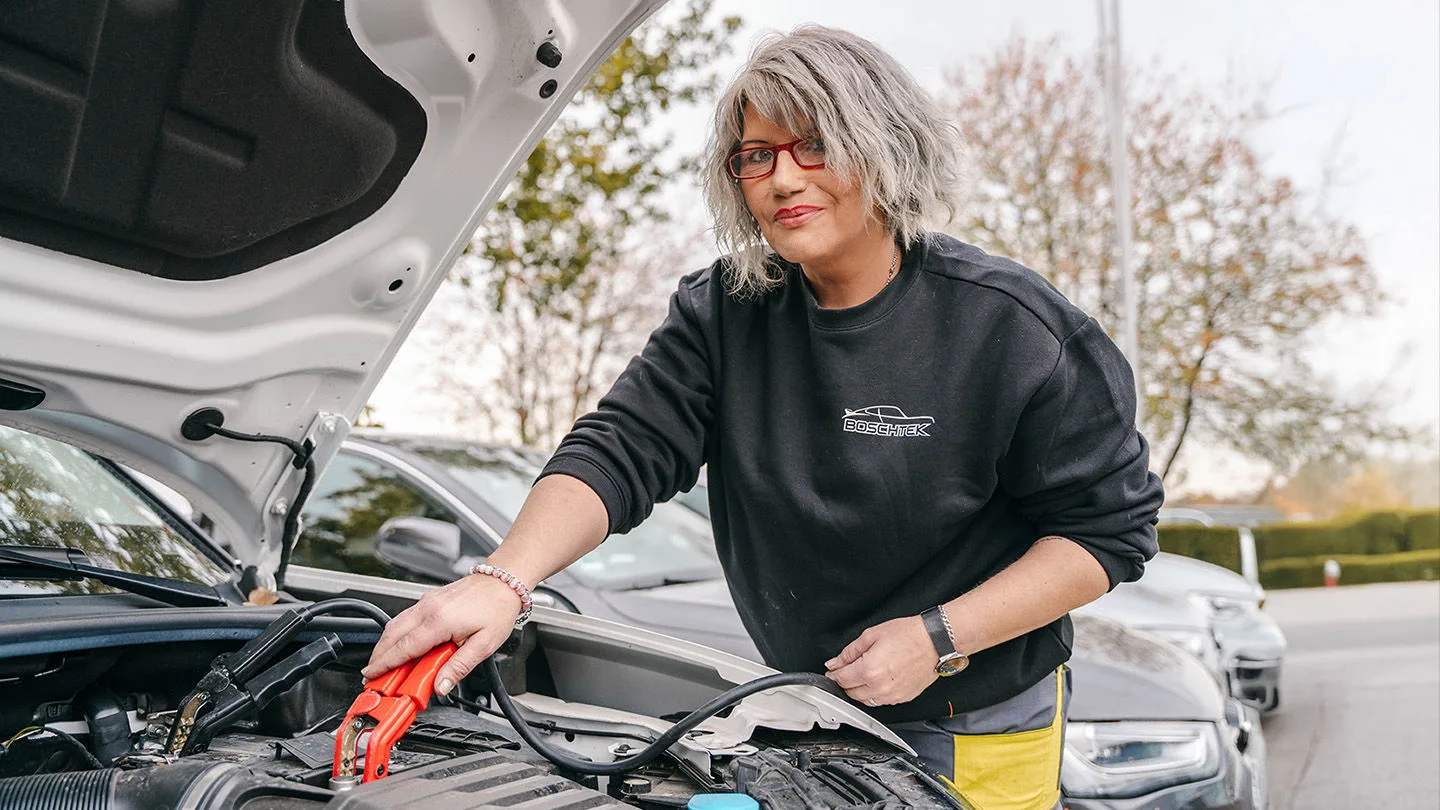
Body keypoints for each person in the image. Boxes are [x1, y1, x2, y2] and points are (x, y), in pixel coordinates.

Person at [365, 24, 1163, 809]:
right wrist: (503, 580)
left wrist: (938, 638)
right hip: (808, 709)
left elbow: (1108, 533)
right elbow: (620, 450)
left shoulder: (1012, 327)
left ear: (885, 145)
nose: (781, 180)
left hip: (977, 719)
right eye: (756, 155)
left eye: (813, 145)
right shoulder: (723, 312)